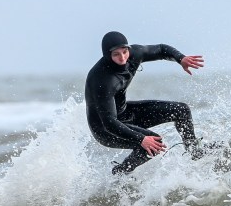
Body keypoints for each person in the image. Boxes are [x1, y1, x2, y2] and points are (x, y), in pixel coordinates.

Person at [85, 31, 210, 175]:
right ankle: (120, 174)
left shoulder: (135, 53)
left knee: (181, 110)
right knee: (152, 143)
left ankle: (195, 151)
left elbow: (161, 49)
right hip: (105, 129)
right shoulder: (101, 80)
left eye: (125, 52)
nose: (122, 58)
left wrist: (180, 58)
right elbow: (109, 122)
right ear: (108, 55)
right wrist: (141, 138)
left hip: (124, 113)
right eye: (116, 55)